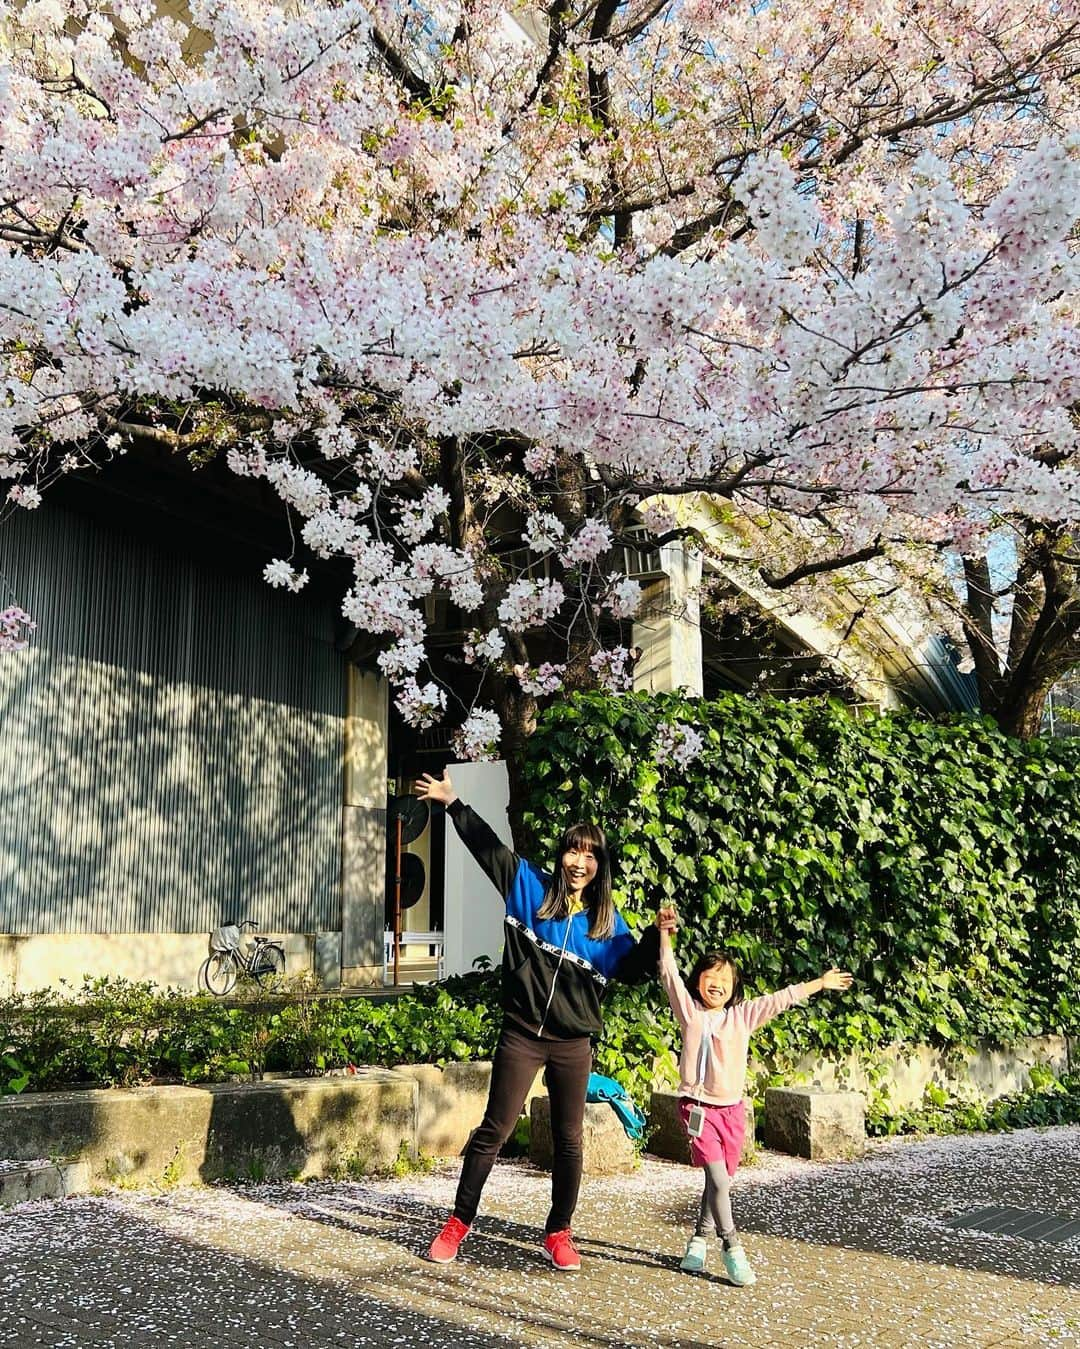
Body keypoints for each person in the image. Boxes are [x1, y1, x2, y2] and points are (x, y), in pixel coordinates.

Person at [415, 768, 659, 1271]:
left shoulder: (609, 927)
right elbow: (490, 851)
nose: (580, 861)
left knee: (570, 1140)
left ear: (600, 865)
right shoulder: (528, 888)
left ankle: (559, 1232)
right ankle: (459, 1222)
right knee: (495, 1129)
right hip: (522, 1033)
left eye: (591, 854)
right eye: (574, 850)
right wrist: (453, 803)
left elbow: (635, 970)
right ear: (562, 855)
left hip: (573, 1043)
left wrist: (657, 937)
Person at [656, 905, 853, 1286]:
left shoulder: (742, 1016)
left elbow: (780, 999)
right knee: (718, 1178)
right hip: (697, 1108)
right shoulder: (690, 1013)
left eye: (725, 979)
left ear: (734, 988)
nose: (716, 983)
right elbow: (667, 972)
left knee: (719, 1183)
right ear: (698, 980)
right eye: (710, 976)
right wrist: (665, 932)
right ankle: (731, 1246)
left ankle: (698, 1240)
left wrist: (819, 983)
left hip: (732, 1111)